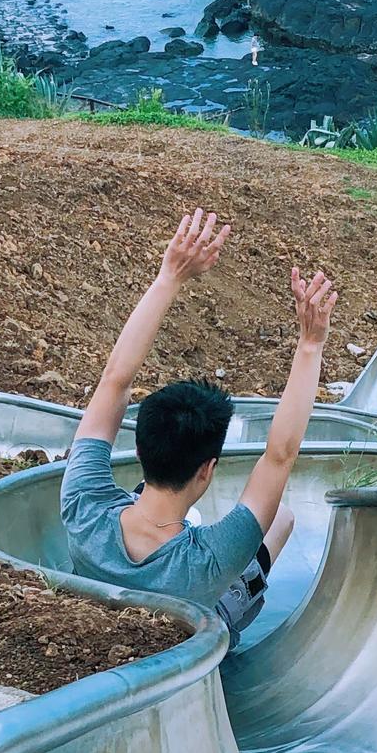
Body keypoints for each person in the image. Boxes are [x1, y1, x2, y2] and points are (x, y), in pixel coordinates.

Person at [60, 208, 338, 643]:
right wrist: (310, 343)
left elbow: (114, 381)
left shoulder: (84, 506)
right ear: (208, 469)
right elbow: (279, 455)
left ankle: (166, 510)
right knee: (279, 519)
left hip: (102, 613)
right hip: (195, 627)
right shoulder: (209, 560)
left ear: (139, 450)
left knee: (149, 503)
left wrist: (169, 276)